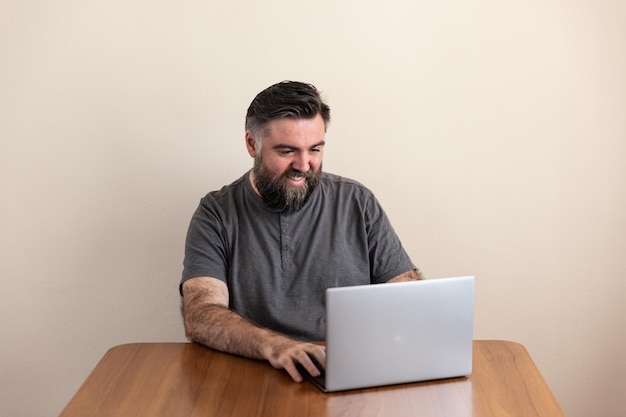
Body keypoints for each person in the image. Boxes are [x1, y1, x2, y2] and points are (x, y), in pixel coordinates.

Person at [180, 81, 422, 383]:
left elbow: (409, 298)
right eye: (287, 151)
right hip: (254, 372)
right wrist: (276, 346)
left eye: (315, 149)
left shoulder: (357, 202)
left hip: (345, 372)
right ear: (252, 145)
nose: (304, 165)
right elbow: (201, 315)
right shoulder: (216, 213)